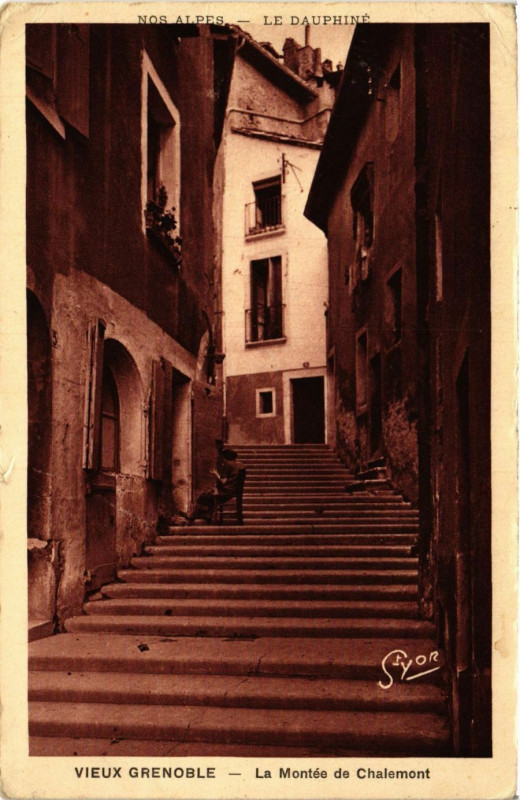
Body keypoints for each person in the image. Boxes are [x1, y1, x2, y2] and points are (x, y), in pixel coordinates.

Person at [182, 448, 244, 523]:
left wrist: (216, 474)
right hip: (232, 490)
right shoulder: (238, 465)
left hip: (226, 491)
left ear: (226, 457)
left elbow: (223, 481)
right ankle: (207, 516)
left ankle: (192, 515)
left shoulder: (228, 465)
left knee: (202, 496)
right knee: (209, 494)